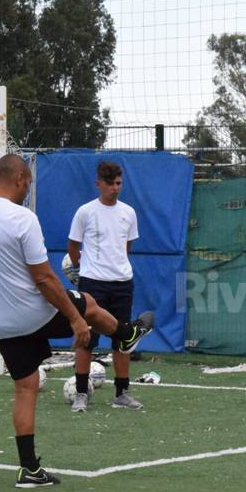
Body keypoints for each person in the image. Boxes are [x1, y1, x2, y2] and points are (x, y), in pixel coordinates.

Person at [0, 154, 152, 488]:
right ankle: (124, 334)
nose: (28, 189)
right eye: (28, 183)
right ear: (19, 178)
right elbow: (45, 279)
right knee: (86, 302)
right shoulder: (22, 218)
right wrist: (76, 320)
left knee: (26, 387)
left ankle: (29, 470)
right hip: (34, 311)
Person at [65, 161, 146, 413]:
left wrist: (115, 266)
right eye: (109, 183)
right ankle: (81, 394)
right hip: (92, 286)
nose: (114, 188)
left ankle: (122, 393)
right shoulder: (85, 212)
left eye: (118, 183)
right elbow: (73, 248)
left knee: (123, 339)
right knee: (86, 339)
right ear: (98, 183)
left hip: (122, 284)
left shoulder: (129, 213)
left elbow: (126, 247)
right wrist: (85, 271)